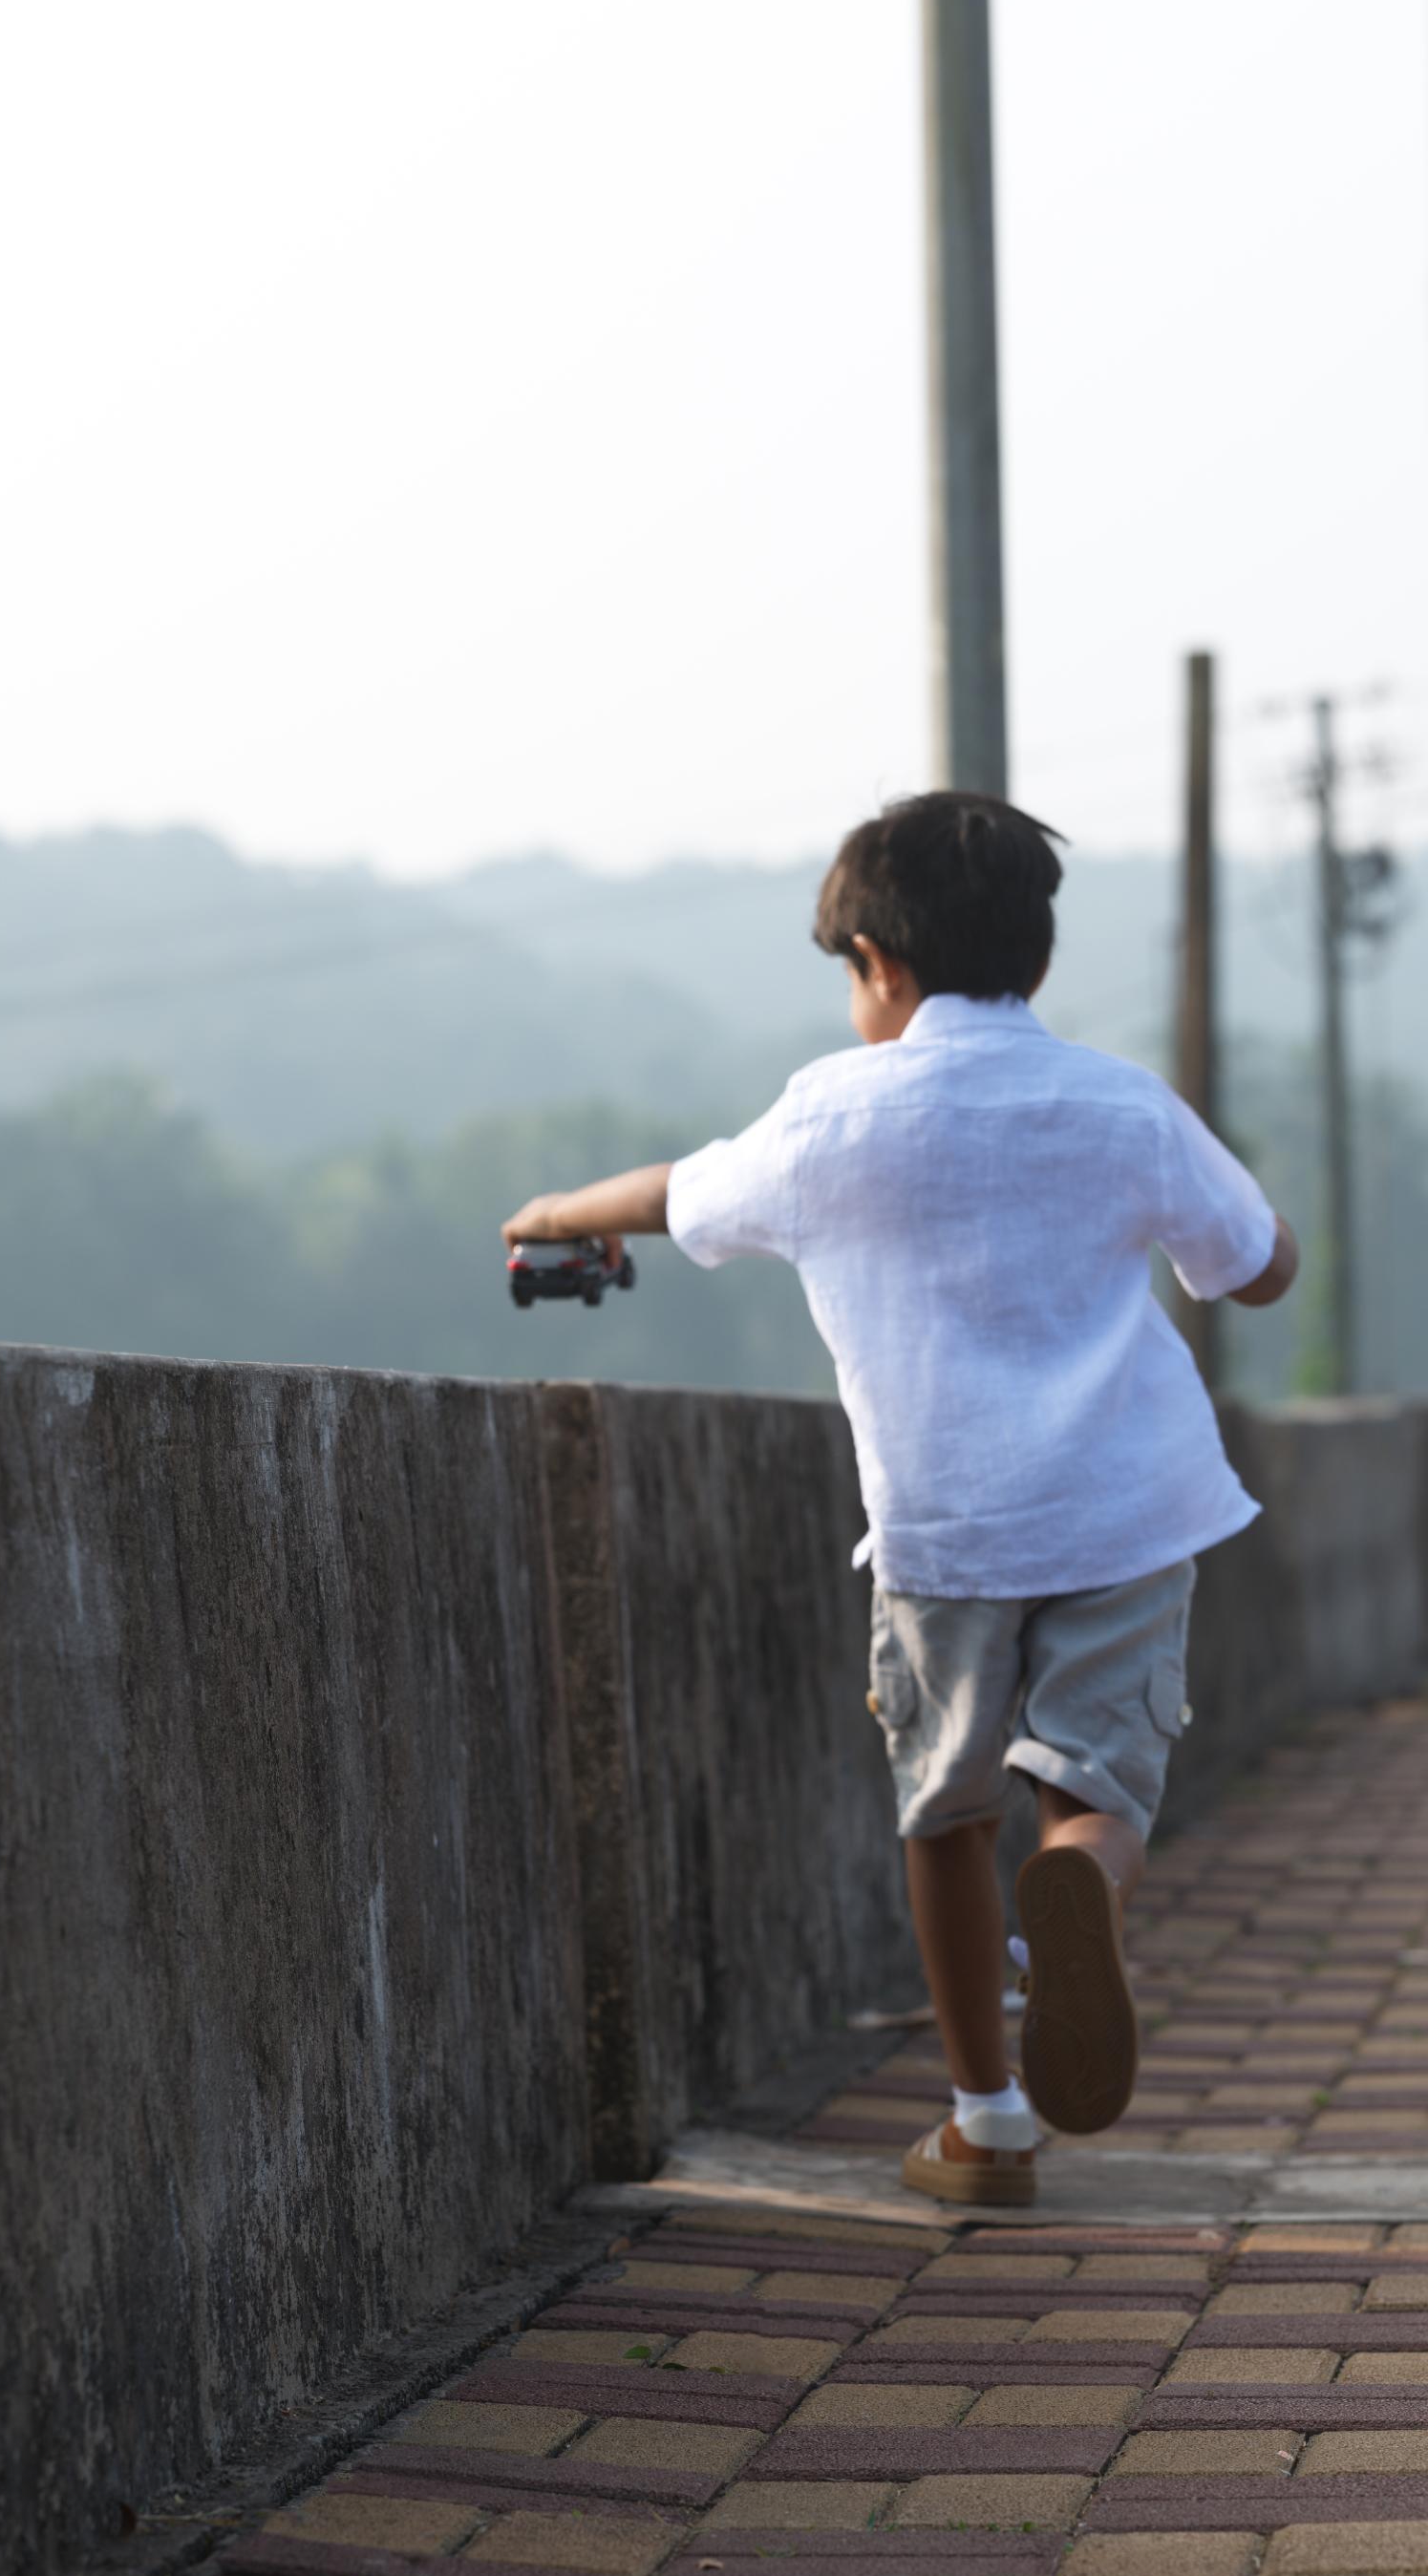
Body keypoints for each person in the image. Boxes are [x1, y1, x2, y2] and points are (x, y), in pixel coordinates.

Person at [501, 789, 1297, 2205]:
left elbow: (680, 1194)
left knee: (945, 1812)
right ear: (1037, 959)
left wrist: (553, 1217)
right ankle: (1086, 1901)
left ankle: (987, 2121)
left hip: (943, 1533)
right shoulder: (1123, 1103)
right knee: (1100, 1788)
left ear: (874, 959)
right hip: (1126, 1510)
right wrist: (1248, 1233)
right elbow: (1255, 1266)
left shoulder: (826, 1120)